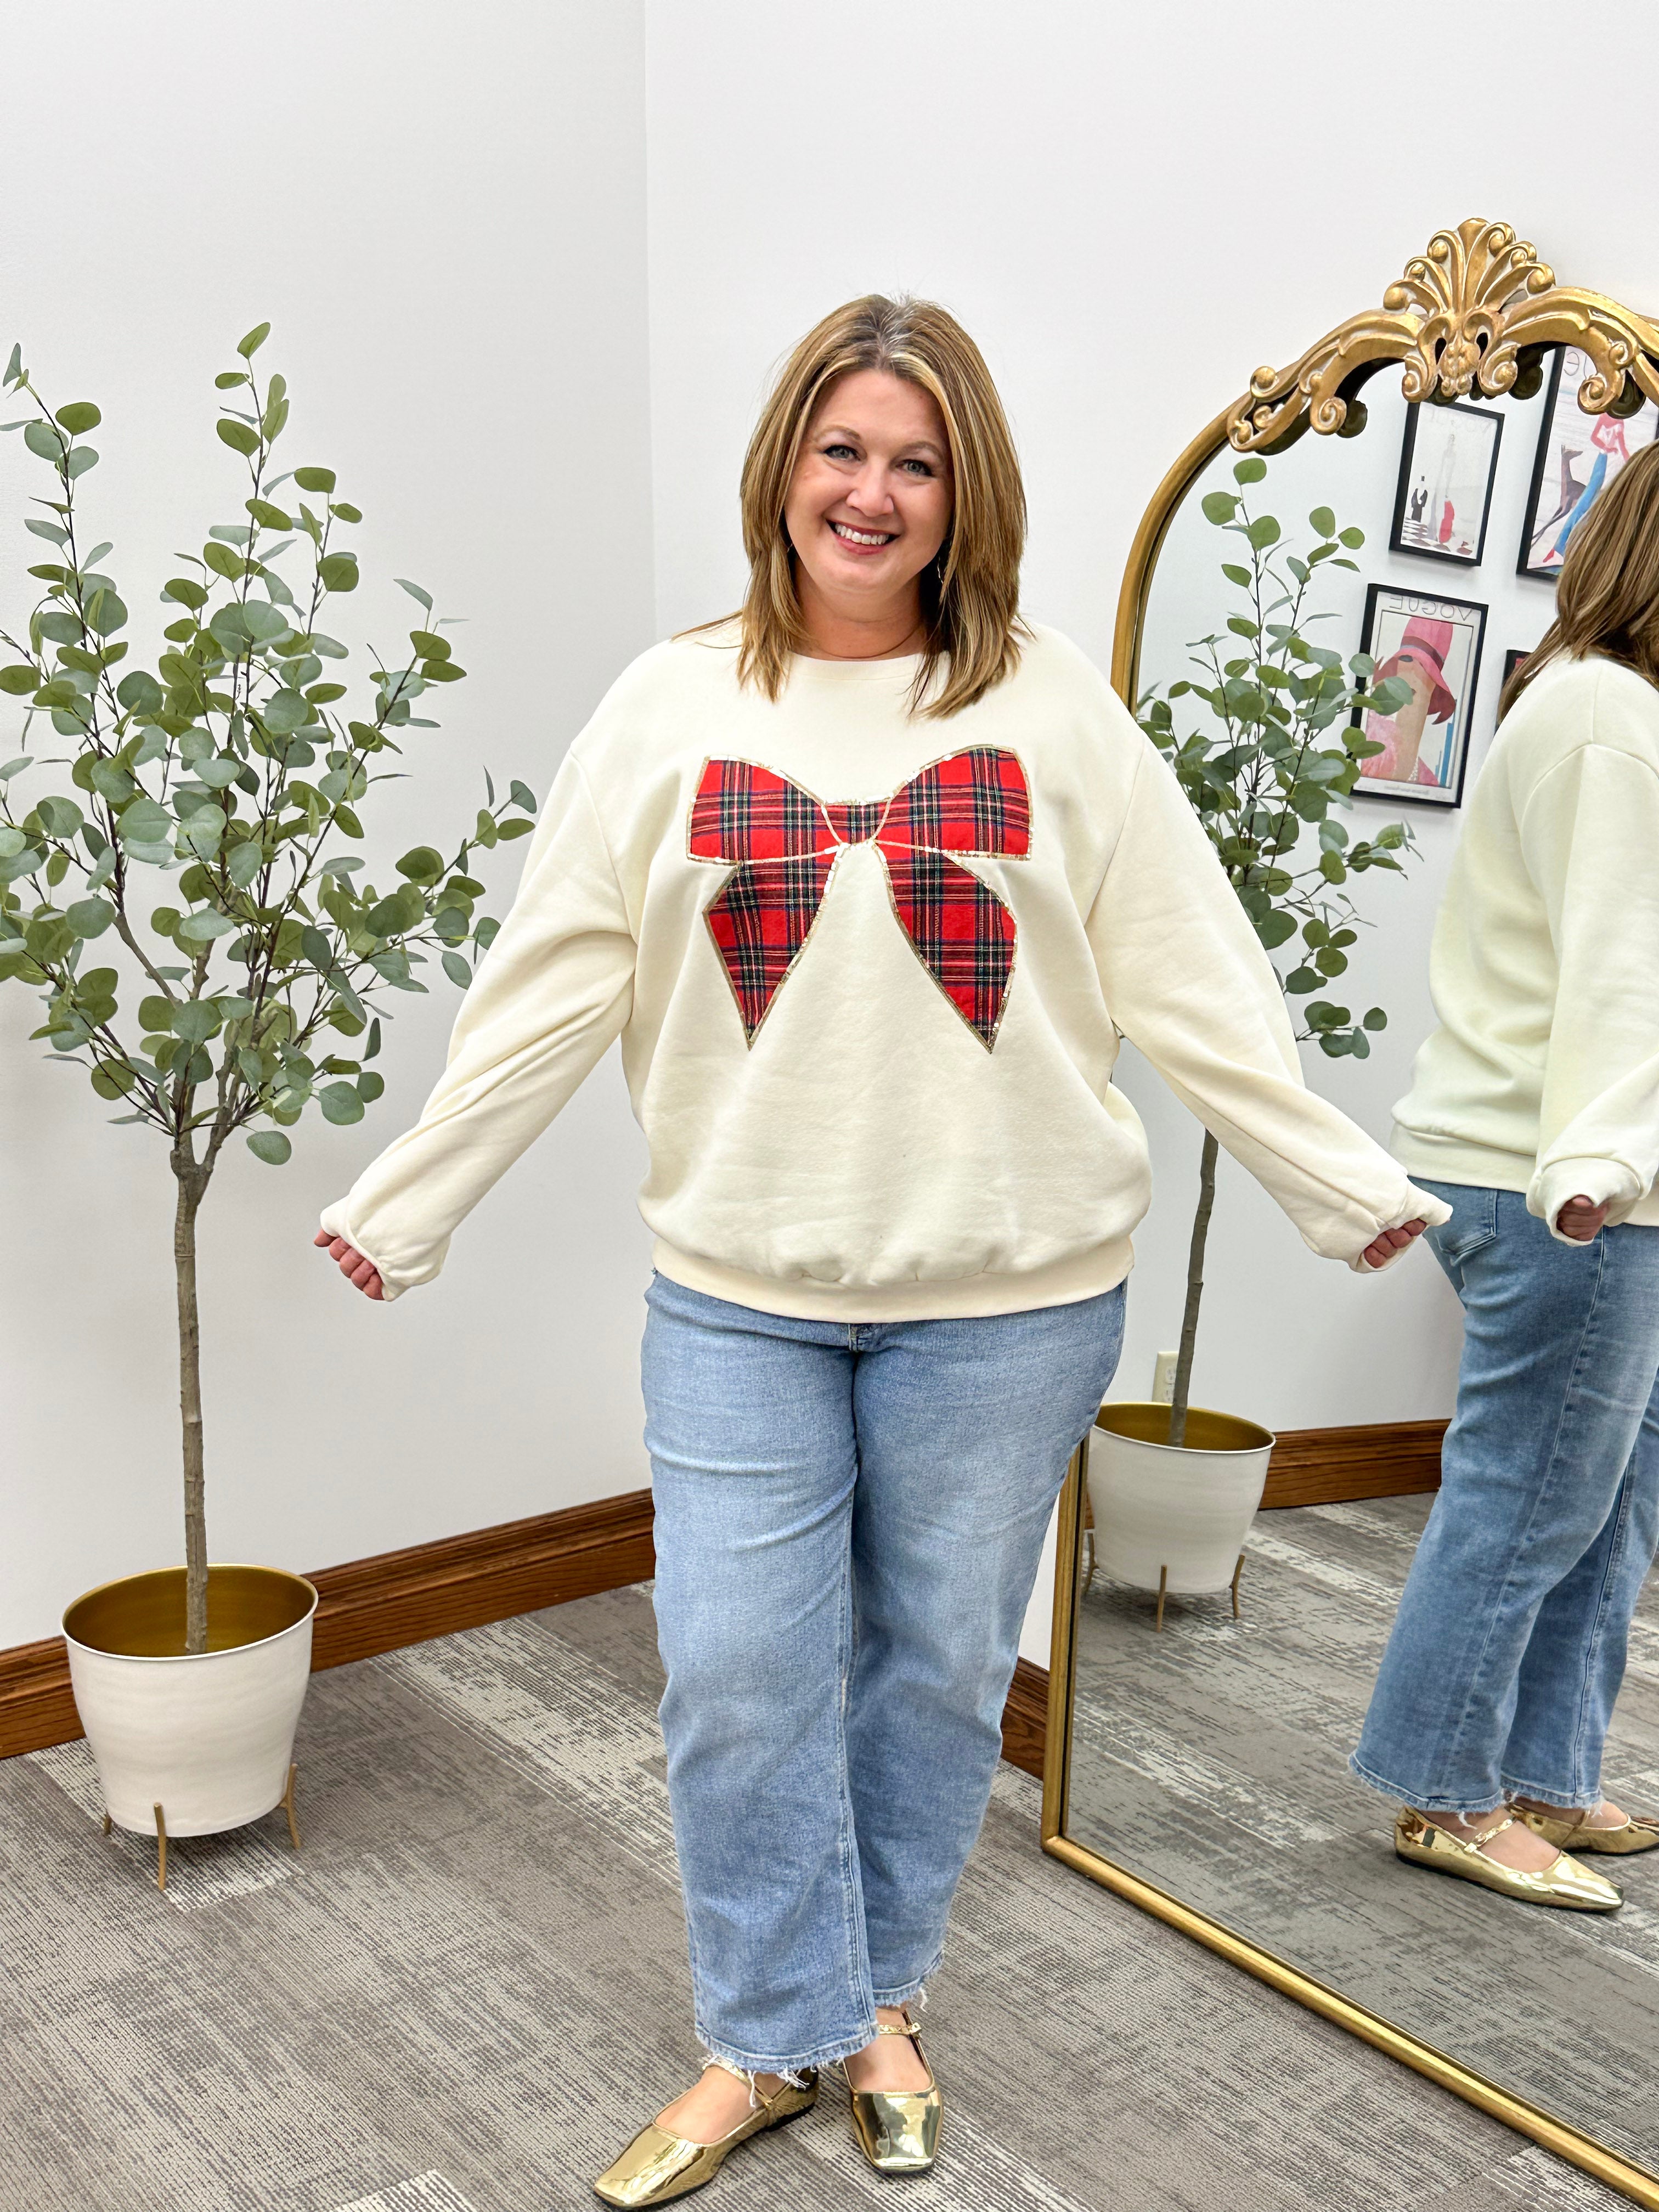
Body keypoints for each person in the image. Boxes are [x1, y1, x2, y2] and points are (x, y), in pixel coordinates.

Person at [315, 295, 1438, 2203]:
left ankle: (877, 2005)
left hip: (1014, 1302)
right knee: (737, 1674)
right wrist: (410, 1194)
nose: (874, 491)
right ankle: (767, 2035)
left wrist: (1337, 1180)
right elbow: (552, 979)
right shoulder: (667, 705)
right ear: (785, 468)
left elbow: (1194, 973)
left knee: (932, 1675)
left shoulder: (1053, 710)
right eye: (843, 449)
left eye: (918, 462)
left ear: (964, 492)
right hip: (740, 1293)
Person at [1356, 438, 1659, 1911]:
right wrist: (1598, 1167)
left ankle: (1542, 1769)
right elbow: (1621, 973)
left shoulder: (1596, 702)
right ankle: (1444, 1790)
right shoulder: (1611, 717)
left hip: (1578, 1170)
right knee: (1532, 1495)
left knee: (1611, 1499)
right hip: (1565, 1182)